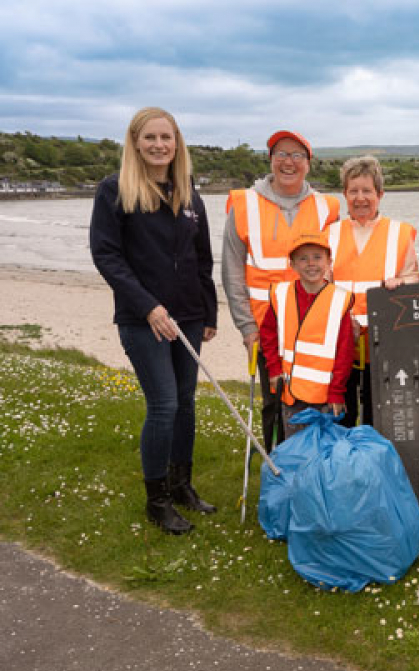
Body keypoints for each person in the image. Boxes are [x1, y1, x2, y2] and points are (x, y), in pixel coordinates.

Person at [90, 106, 218, 535]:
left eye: (167, 137)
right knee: (163, 405)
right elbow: (107, 256)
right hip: (143, 319)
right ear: (135, 142)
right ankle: (157, 499)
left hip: (188, 316)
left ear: (177, 142)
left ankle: (183, 485)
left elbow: (202, 259)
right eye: (150, 138)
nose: (159, 145)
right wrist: (148, 306)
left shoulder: (188, 193)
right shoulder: (114, 191)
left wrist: (209, 312)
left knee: (185, 403)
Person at [222, 129, 340, 449]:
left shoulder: (327, 207)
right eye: (281, 154)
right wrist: (247, 328)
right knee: (274, 402)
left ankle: (317, 469)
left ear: (308, 163)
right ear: (271, 160)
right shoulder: (243, 204)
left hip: (316, 328)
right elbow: (231, 272)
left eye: (297, 155)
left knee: (318, 400)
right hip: (267, 328)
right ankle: (278, 472)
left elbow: (334, 266)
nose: (289, 162)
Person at [327, 155, 419, 426]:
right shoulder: (330, 234)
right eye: (353, 191)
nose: (360, 198)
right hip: (341, 342)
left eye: (367, 191)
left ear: (379, 194)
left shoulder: (400, 233)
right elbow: (322, 285)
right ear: (344, 195)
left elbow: (414, 278)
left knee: (377, 417)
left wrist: (401, 284)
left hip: (383, 342)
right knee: (341, 416)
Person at [259, 231, 355, 438]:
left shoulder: (339, 300)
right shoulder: (281, 295)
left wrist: (337, 392)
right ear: (292, 264)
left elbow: (345, 351)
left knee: (324, 450)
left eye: (317, 257)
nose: (311, 263)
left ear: (330, 262)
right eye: (303, 258)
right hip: (290, 393)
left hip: (325, 396)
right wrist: (274, 370)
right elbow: (267, 334)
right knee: (296, 449)